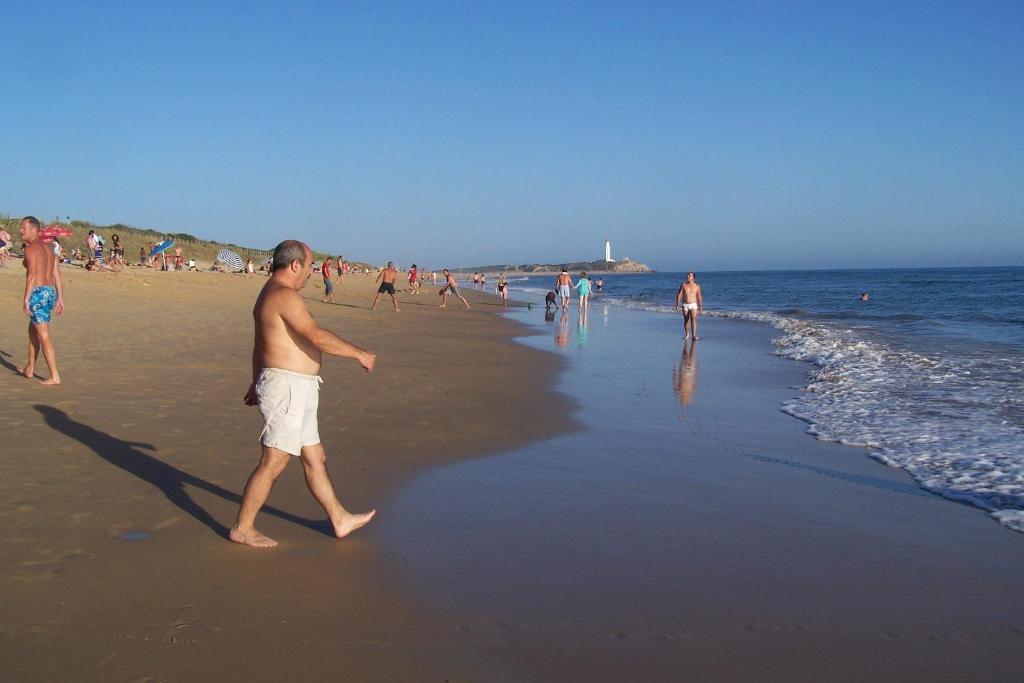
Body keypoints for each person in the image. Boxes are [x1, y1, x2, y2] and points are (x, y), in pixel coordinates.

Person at [231, 240, 377, 548]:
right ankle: (243, 527)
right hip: (287, 389)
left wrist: (255, 381)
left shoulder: (270, 294)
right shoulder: (283, 295)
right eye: (309, 265)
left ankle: (339, 518)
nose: (311, 272)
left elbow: (261, 345)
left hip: (297, 387)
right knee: (275, 460)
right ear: (294, 265)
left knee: (315, 456)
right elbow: (316, 336)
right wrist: (358, 353)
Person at [17, 216, 64, 385]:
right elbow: (56, 274)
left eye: (23, 227)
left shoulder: (29, 249)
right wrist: (60, 298)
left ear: (34, 229)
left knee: (43, 335)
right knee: (33, 331)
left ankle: (55, 375)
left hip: (37, 293)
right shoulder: (50, 249)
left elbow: (31, 276)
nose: (20, 230)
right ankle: (30, 368)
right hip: (49, 291)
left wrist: (26, 299)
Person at [674, 271, 704, 340]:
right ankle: (687, 334)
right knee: (686, 320)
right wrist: (677, 304)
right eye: (687, 275)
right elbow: (679, 294)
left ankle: (694, 335)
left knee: (693, 319)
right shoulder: (683, 285)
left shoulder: (697, 286)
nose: (687, 276)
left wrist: (701, 307)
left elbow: (699, 296)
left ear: (693, 277)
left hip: (693, 304)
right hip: (685, 304)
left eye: (689, 275)